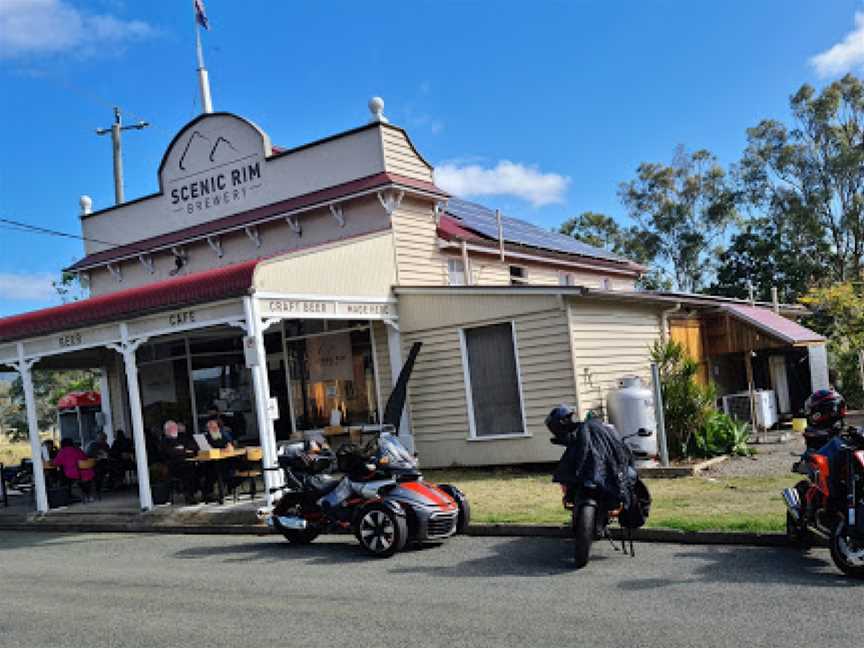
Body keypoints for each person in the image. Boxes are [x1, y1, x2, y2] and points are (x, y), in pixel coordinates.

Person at [159, 420, 199, 504]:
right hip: (173, 467)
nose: (174, 430)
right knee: (188, 470)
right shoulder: (164, 441)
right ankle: (189, 496)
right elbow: (170, 453)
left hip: (188, 462)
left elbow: (194, 447)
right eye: (171, 429)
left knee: (200, 468)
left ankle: (205, 493)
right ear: (166, 431)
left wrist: (182, 450)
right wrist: (185, 451)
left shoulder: (182, 437)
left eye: (174, 428)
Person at [52, 438, 95, 502]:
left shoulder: (62, 451)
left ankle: (67, 495)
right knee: (83, 480)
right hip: (86, 472)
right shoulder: (78, 450)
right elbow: (85, 459)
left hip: (71, 473)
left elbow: (56, 463)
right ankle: (88, 495)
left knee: (61, 475)